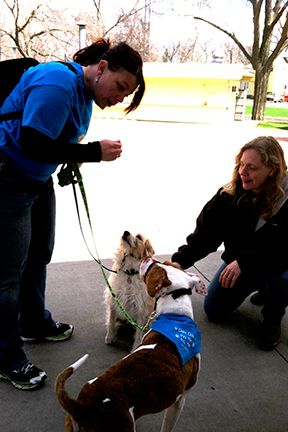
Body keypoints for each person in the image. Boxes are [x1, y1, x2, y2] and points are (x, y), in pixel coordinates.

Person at [0, 38, 145, 390]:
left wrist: (72, 159)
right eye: (120, 87)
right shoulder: (58, 83)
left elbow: (52, 144)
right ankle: (7, 357)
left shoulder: (85, 96)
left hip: (36, 179)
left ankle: (32, 322)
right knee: (6, 275)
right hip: (9, 179)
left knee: (38, 255)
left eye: (126, 96)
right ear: (103, 67)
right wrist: (93, 152)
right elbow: (33, 141)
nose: (119, 97)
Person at [171, 136, 288, 351]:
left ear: (272, 170)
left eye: (251, 167)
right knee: (214, 310)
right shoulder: (229, 195)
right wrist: (179, 262)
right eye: (241, 164)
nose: (243, 171)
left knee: (282, 279)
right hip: (241, 264)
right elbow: (206, 235)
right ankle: (261, 286)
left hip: (277, 265)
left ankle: (273, 317)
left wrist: (244, 261)